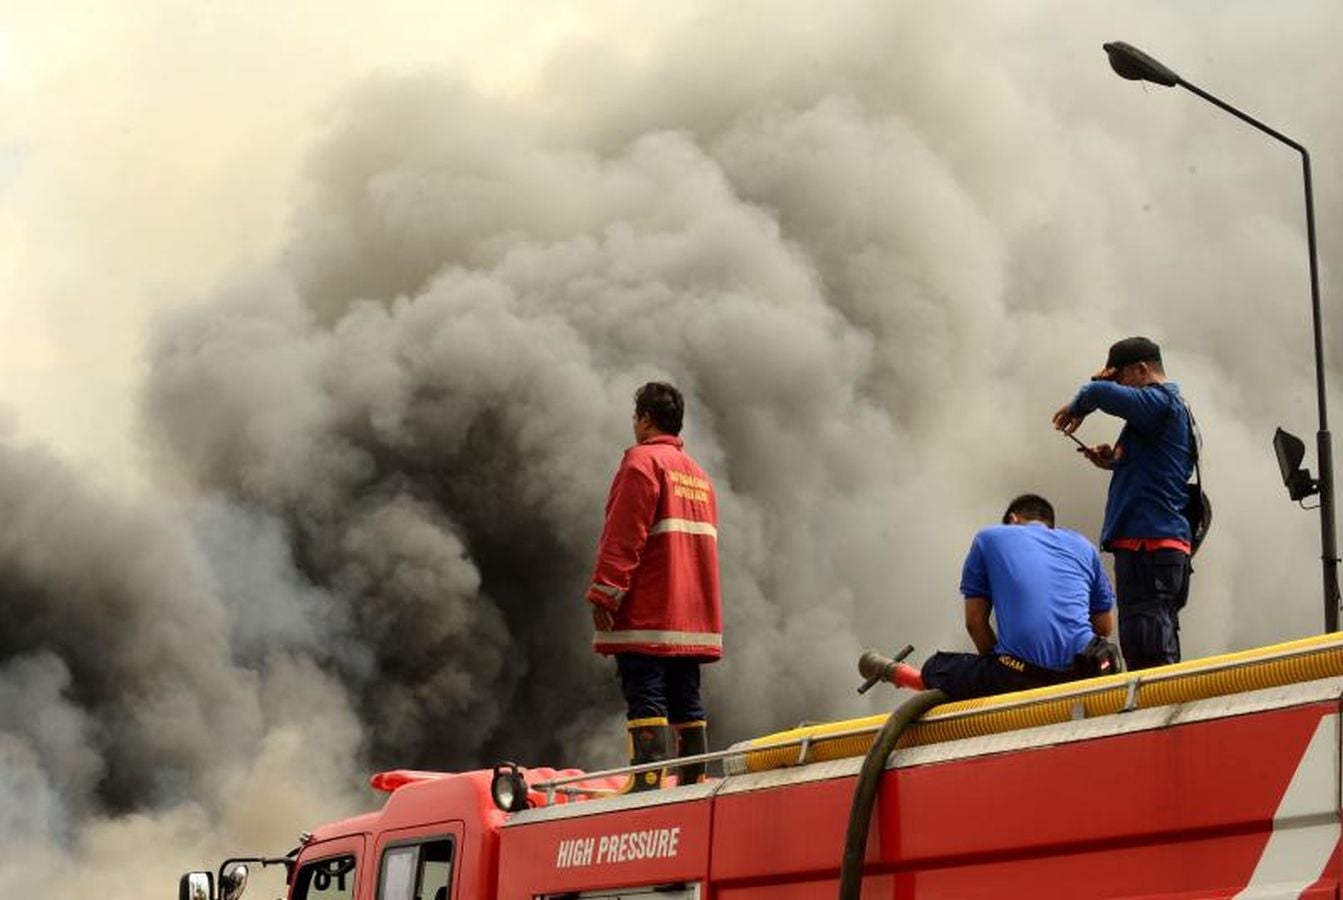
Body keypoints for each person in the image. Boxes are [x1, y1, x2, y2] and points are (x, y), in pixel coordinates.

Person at [586, 381, 722, 790]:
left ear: (645, 419)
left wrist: (605, 591)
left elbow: (624, 534)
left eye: (635, 417)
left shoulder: (642, 464)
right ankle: (693, 778)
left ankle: (646, 782)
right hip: (692, 615)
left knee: (646, 691)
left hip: (651, 610)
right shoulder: (698, 476)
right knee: (686, 696)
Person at [1051, 336, 1195, 670]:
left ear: (1142, 369)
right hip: (1149, 545)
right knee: (1144, 641)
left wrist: (1090, 393)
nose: (1120, 389)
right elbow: (1157, 469)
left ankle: (1159, 715)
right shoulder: (1162, 414)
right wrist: (1112, 462)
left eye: (1122, 379)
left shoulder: (1160, 402)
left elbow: (1097, 395)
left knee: (1150, 642)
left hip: (1151, 544)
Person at [889, 494, 1118, 701]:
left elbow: (975, 623)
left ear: (1013, 519)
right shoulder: (1083, 545)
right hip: (1084, 671)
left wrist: (1001, 664)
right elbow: (1104, 626)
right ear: (1050, 526)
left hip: (1020, 675)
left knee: (936, 667)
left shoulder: (989, 538)